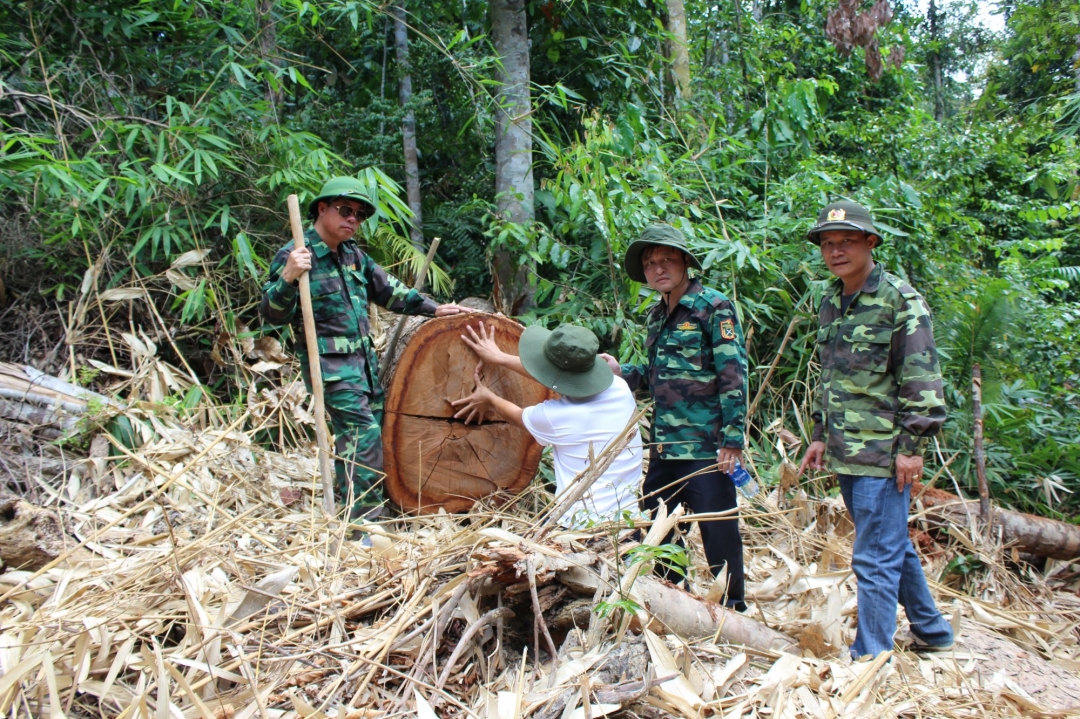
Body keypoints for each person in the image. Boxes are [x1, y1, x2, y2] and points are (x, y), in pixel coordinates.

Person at [260, 174, 470, 520]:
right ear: (322, 209)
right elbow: (272, 314)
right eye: (345, 210)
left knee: (362, 442)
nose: (353, 219)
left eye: (359, 214)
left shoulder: (353, 256)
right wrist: (288, 277)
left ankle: (350, 514)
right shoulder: (296, 254)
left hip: (366, 369)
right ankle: (366, 532)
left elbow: (389, 291)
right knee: (363, 437)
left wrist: (434, 309)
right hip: (332, 371)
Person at [797, 200, 953, 659]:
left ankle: (871, 654)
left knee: (874, 556)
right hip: (846, 449)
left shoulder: (900, 301)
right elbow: (830, 376)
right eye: (828, 243)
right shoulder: (831, 300)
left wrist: (911, 447)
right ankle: (932, 631)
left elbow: (921, 379)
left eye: (846, 242)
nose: (836, 251)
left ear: (870, 242)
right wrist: (821, 434)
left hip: (884, 455)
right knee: (890, 545)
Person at [603, 223, 749, 610]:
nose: (658, 268)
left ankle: (732, 608)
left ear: (685, 261)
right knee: (658, 523)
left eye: (667, 259)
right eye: (650, 263)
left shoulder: (713, 307)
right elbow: (656, 378)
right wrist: (621, 372)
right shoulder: (657, 315)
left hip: (706, 446)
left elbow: (733, 376)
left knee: (718, 528)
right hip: (666, 445)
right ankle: (673, 600)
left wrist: (733, 441)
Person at [450, 321, 643, 528]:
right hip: (628, 523)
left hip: (580, 528)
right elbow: (558, 377)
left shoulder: (556, 416)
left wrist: (488, 398)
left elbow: (516, 415)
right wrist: (500, 358)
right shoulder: (620, 387)